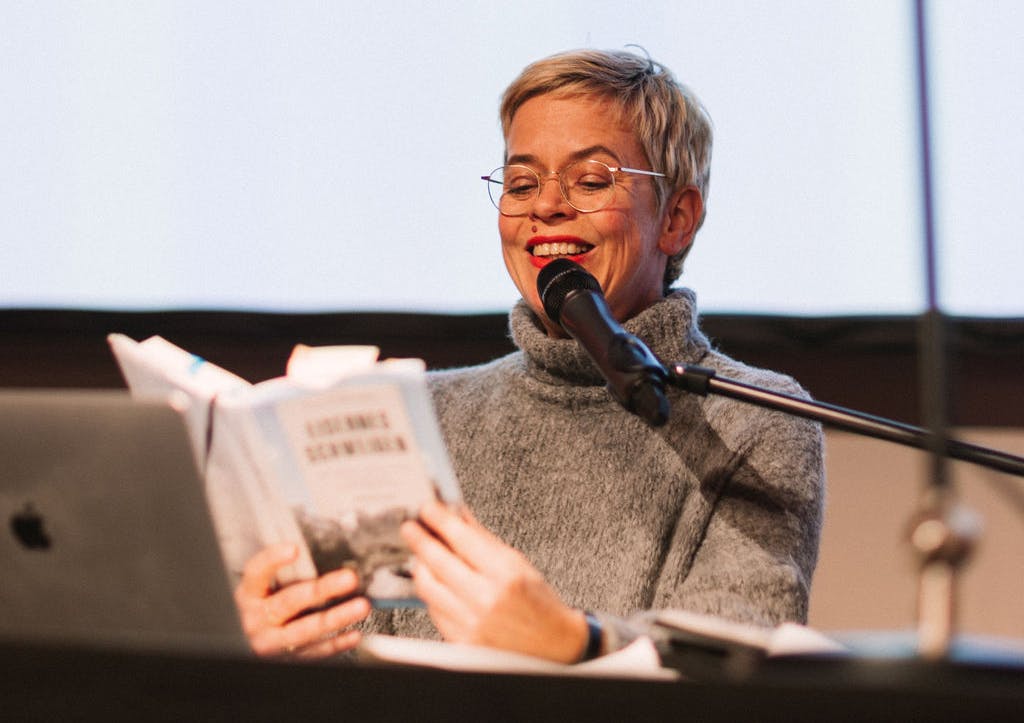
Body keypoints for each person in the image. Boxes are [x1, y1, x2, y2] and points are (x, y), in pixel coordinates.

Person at [234, 48, 825, 663]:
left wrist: (572, 642)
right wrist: (270, 637)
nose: (545, 207)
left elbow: (741, 663)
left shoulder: (757, 421)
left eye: (592, 181)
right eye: (521, 183)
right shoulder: (426, 414)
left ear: (676, 219)